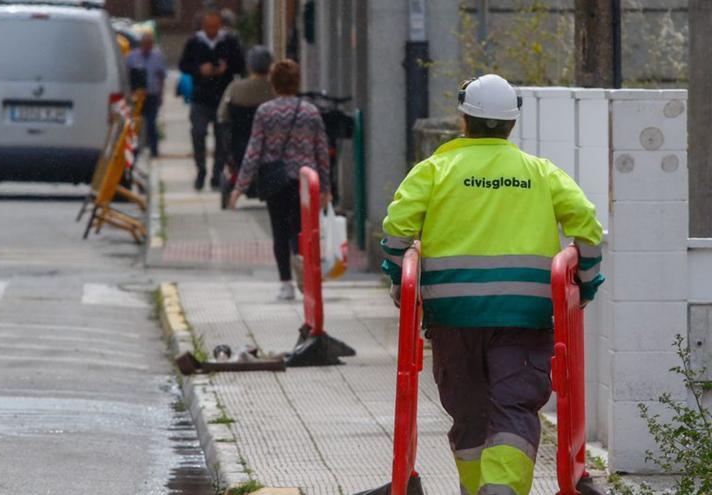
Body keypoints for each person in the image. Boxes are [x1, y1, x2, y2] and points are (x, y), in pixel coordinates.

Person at [380, 74, 605, 495]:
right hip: (526, 316)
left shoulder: (434, 171)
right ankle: (500, 487)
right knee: (515, 406)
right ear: (512, 124)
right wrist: (586, 285)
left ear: (463, 120)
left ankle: (477, 488)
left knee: (468, 412)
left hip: (453, 316)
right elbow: (588, 229)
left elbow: (396, 233)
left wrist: (399, 283)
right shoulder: (541, 173)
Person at [229, 60, 331, 301]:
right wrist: (325, 187)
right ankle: (300, 260)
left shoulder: (265, 112)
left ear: (273, 84)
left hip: (275, 179)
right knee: (301, 228)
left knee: (279, 230)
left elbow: (254, 150)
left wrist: (239, 187)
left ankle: (285, 284)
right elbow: (321, 150)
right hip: (304, 180)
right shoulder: (310, 112)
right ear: (297, 83)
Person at [178, 10, 246, 191]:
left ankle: (217, 173)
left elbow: (241, 66)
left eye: (215, 27)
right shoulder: (194, 42)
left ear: (219, 25)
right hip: (200, 98)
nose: (211, 31)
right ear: (203, 26)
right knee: (198, 133)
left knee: (222, 138)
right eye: (208, 27)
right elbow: (183, 65)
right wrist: (199, 69)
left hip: (222, 98)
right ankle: (201, 170)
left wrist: (226, 68)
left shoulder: (229, 42)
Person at [217, 46, 275, 208]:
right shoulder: (274, 89)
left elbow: (222, 116)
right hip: (270, 148)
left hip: (240, 145)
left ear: (249, 66)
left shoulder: (235, 88)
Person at [126, 32, 167, 157]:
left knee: (151, 123)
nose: (147, 46)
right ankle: (133, 151)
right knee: (134, 124)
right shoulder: (132, 56)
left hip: (152, 95)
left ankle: (154, 150)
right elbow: (127, 75)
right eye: (145, 43)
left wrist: (161, 94)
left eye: (150, 44)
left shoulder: (157, 57)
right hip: (136, 96)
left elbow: (161, 77)